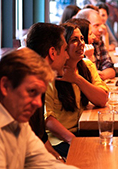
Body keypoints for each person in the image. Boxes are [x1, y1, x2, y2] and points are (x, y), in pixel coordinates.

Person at [45, 22, 108, 158]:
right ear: (63, 46)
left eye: (82, 39)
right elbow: (48, 118)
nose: (81, 44)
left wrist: (76, 79)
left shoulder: (87, 66)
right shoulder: (52, 73)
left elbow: (102, 100)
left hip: (85, 131)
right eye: (74, 40)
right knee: (92, 156)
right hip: (60, 139)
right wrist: (73, 140)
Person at [25, 22, 69, 160]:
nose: (67, 56)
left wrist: (60, 160)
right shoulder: (28, 87)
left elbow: (41, 138)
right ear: (52, 53)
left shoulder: (39, 78)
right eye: (65, 50)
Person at [76, 8, 116, 80]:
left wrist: (99, 75)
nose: (101, 29)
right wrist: (95, 75)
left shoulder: (98, 41)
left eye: (102, 25)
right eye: (96, 25)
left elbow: (110, 68)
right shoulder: (75, 48)